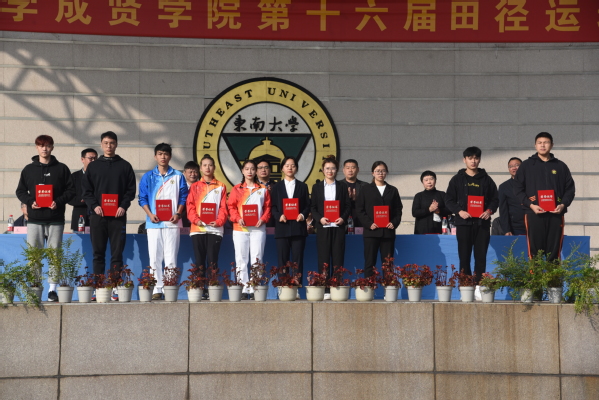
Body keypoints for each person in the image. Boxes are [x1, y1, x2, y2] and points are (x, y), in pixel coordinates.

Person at [16, 135, 75, 301]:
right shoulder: (28, 169)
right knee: (34, 254)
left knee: (55, 254)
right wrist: (30, 201)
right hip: (35, 219)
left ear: (52, 147)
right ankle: (35, 287)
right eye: (41, 145)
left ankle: (52, 289)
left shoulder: (62, 168)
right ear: (36, 147)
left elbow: (71, 191)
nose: (44, 148)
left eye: (48, 145)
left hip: (55, 218)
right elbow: (20, 191)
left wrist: (58, 201)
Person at [82, 131, 136, 300]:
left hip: (118, 217)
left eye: (112, 143)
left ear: (116, 144)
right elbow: (86, 191)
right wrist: (95, 206)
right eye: (105, 143)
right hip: (98, 216)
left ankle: (114, 287)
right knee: (98, 253)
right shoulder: (93, 167)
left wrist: (123, 206)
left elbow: (130, 191)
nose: (109, 146)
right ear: (101, 144)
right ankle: (98, 287)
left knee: (117, 254)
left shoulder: (125, 166)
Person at [513, 132, 575, 261]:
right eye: (539, 143)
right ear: (535, 145)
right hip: (533, 213)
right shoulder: (526, 165)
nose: (542, 145)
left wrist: (562, 205)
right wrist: (530, 205)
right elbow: (517, 189)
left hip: (556, 214)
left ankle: (553, 275)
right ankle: (535, 274)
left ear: (552, 145)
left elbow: (570, 189)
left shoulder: (560, 166)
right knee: (535, 252)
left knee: (554, 252)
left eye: (546, 142)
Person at [138, 143, 188, 300]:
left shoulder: (178, 176)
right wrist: (150, 214)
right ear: (155, 156)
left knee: (171, 257)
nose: (163, 157)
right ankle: (156, 288)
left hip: (172, 223)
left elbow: (184, 197)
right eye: (160, 154)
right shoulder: (148, 177)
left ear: (170, 156)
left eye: (166, 154)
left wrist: (178, 214)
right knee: (154, 257)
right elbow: (142, 198)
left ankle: (169, 287)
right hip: (154, 223)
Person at [445, 146, 498, 289]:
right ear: (464, 160)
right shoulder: (457, 180)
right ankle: (466, 286)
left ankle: (480, 287)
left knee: (481, 257)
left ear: (479, 160)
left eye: (476, 158)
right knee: (464, 257)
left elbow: (495, 199)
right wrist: (459, 211)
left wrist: (489, 211)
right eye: (470, 158)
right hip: (463, 223)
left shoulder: (487, 180)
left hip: (482, 224)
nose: (473, 161)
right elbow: (449, 200)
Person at [227, 160, 272, 299]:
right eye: (247, 169)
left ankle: (254, 287)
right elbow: (231, 207)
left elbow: (268, 208)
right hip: (240, 228)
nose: (250, 171)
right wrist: (237, 218)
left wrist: (263, 219)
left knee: (257, 258)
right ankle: (243, 288)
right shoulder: (236, 189)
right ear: (242, 171)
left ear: (256, 171)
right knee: (241, 258)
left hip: (258, 229)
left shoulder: (263, 189)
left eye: (252, 169)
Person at [186, 154, 228, 299]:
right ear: (201, 168)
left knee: (212, 260)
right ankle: (200, 289)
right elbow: (190, 206)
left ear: (214, 167)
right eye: (205, 165)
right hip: (198, 229)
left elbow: (223, 207)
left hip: (215, 229)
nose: (207, 168)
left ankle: (212, 289)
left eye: (210, 165)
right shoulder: (195, 186)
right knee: (199, 261)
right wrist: (196, 220)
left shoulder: (221, 186)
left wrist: (219, 221)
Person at [311, 155, 351, 299]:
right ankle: (325, 288)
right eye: (327, 168)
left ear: (337, 170)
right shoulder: (317, 187)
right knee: (323, 258)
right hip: (323, 227)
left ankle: (336, 287)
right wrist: (320, 219)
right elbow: (313, 207)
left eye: (333, 168)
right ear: (323, 170)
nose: (330, 171)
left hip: (338, 227)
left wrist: (343, 218)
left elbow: (347, 205)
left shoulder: (342, 186)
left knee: (338, 257)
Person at [355, 161, 403, 278]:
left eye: (383, 171)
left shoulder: (393, 190)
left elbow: (398, 209)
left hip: (387, 232)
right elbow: (359, 209)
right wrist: (368, 223)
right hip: (371, 232)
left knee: (388, 264)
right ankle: (369, 286)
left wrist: (394, 222)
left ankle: (388, 287)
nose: (380, 173)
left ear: (386, 172)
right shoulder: (366, 189)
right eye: (377, 171)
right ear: (373, 173)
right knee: (369, 263)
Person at [271, 156, 310, 295]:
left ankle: (296, 288)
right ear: (282, 168)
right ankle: (283, 288)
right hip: (282, 228)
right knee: (283, 260)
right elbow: (273, 207)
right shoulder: (276, 187)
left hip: (298, 228)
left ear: (296, 168)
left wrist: (303, 215)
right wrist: (278, 216)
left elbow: (307, 205)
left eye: (293, 165)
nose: (290, 168)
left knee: (297, 260)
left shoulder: (302, 186)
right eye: (287, 165)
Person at [68, 148, 97, 232]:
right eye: (90, 158)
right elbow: (69, 196)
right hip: (80, 216)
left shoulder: (101, 177)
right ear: (82, 159)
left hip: (97, 216)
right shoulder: (74, 176)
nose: (93, 161)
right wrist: (83, 200)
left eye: (95, 158)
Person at [498, 157, 526, 236]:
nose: (514, 168)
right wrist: (506, 229)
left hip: (533, 225)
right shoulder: (504, 187)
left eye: (517, 165)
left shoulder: (531, 184)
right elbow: (503, 210)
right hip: (515, 227)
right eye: (511, 166)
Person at [342, 159, 368, 228]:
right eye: (348, 168)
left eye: (353, 168)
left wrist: (357, 200)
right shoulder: (338, 185)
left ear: (358, 169)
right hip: (342, 221)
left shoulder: (365, 186)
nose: (350, 170)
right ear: (343, 170)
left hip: (360, 221)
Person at [181, 161, 200, 228]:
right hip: (182, 219)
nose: (193, 174)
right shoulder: (180, 188)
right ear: (184, 173)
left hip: (198, 220)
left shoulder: (203, 188)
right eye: (190, 172)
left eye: (195, 172)